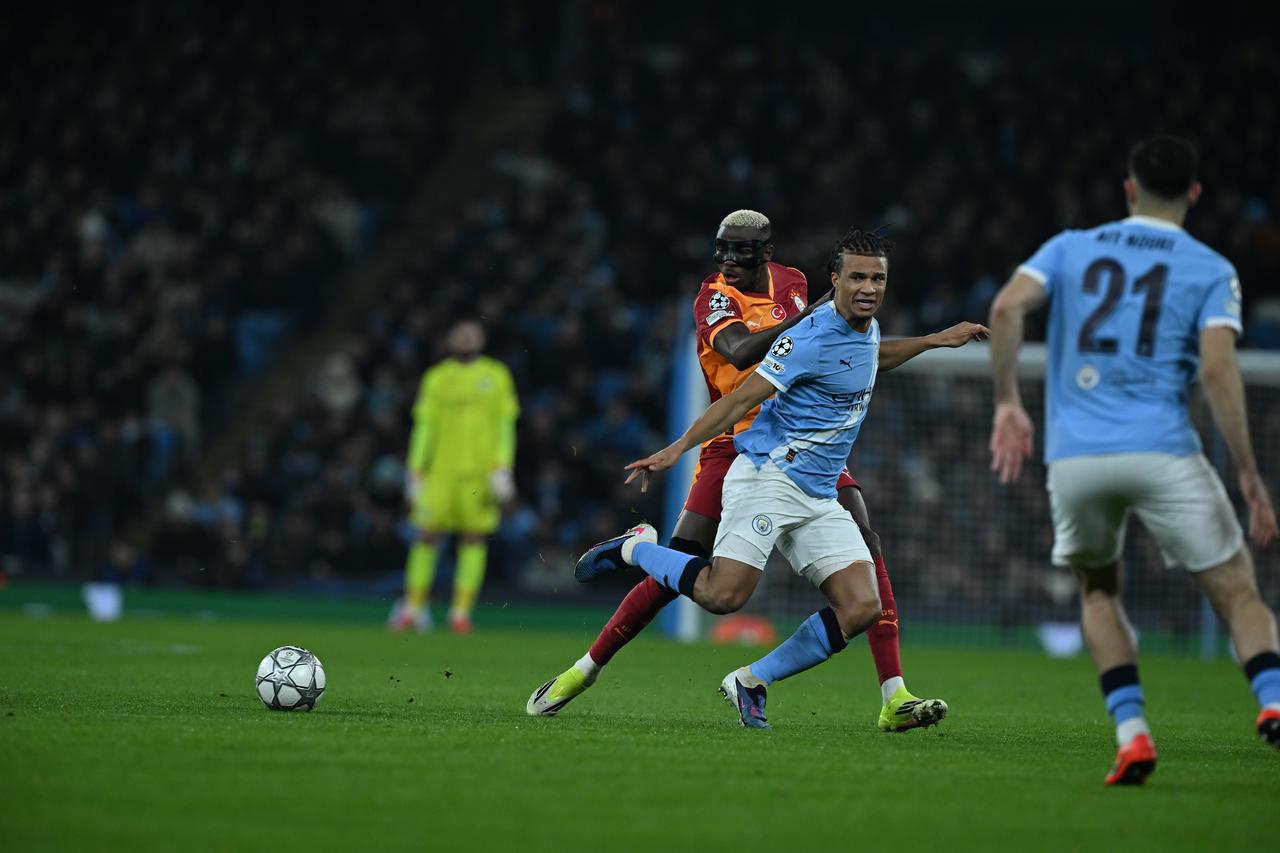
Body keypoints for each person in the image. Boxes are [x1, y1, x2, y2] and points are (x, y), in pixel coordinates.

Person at [527, 211, 959, 729]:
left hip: (807, 448)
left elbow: (858, 353)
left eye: (741, 252)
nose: (729, 261)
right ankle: (590, 656)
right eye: (722, 251)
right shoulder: (718, 298)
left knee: (867, 544)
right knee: (703, 583)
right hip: (736, 441)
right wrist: (678, 448)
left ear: (767, 254)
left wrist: (930, 340)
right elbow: (741, 354)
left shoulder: (801, 286)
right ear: (837, 280)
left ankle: (891, 693)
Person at [987, 136, 1280, 785]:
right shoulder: (1210, 267)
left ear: (1128, 188)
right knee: (1237, 589)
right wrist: (1250, 475)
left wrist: (1008, 402)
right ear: (1194, 194)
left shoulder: (1070, 246)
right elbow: (1215, 367)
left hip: (1076, 459)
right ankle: (1273, 697)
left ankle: (1133, 733)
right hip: (1163, 449)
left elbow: (1006, 306)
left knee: (1099, 588)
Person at [390, 320, 519, 634]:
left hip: (479, 473)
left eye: (471, 333)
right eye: (459, 332)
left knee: (473, 537)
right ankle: (413, 607)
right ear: (449, 340)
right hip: (440, 473)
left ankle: (460, 613)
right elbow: (424, 426)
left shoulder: (496, 375)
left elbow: (505, 425)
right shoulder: (436, 378)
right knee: (426, 534)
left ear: (482, 339)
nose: (465, 337)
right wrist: (415, 468)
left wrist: (502, 467)